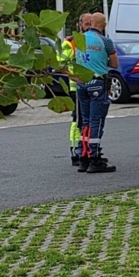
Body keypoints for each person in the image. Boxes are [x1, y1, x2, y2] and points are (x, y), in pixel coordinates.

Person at [76, 12, 118, 173]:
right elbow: (115, 64)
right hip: (98, 84)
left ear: (90, 22)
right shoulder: (105, 41)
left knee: (85, 122)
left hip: (82, 84)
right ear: (104, 25)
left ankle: (83, 157)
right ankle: (95, 159)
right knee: (96, 121)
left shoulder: (79, 39)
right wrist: (102, 60)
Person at [61, 13, 92, 166]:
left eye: (91, 23)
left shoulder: (94, 41)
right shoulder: (70, 43)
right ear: (80, 25)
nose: (89, 27)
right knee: (78, 120)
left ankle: (88, 150)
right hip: (76, 87)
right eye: (86, 24)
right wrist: (74, 78)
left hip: (92, 85)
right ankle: (76, 150)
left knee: (90, 120)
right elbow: (60, 64)